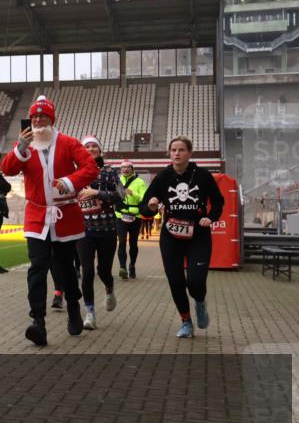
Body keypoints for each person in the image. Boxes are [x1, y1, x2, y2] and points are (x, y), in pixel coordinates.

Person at [0, 95, 99, 346]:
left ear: (52, 119)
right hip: (36, 216)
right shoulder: (25, 145)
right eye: (34, 116)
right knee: (37, 267)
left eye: (43, 116)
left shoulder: (68, 142)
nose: (38, 120)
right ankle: (38, 322)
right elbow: (7, 169)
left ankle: (74, 306)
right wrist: (19, 148)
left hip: (65, 215)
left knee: (65, 268)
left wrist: (70, 181)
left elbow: (91, 167)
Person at [141, 136, 224, 339]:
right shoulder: (162, 177)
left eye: (181, 150)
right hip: (171, 237)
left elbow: (218, 201)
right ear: (169, 154)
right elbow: (144, 207)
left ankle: (200, 303)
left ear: (189, 153)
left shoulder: (202, 175)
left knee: (195, 281)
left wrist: (210, 218)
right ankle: (186, 321)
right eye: (173, 150)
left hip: (198, 236)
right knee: (176, 280)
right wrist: (151, 205)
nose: (176, 153)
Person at [75, 136, 123, 330]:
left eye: (94, 146)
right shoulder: (76, 172)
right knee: (86, 271)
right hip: (84, 230)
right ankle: (90, 314)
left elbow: (120, 197)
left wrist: (97, 194)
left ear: (100, 151)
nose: (91, 148)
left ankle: (109, 289)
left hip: (108, 229)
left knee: (103, 271)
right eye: (87, 146)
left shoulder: (110, 172)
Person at [115, 160, 147, 279]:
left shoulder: (140, 182)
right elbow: (114, 196)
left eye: (128, 167)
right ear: (121, 169)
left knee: (133, 243)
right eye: (123, 168)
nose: (126, 169)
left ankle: (132, 265)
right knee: (122, 241)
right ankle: (122, 267)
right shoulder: (118, 181)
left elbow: (143, 198)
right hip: (120, 216)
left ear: (133, 169)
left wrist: (132, 193)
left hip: (135, 216)